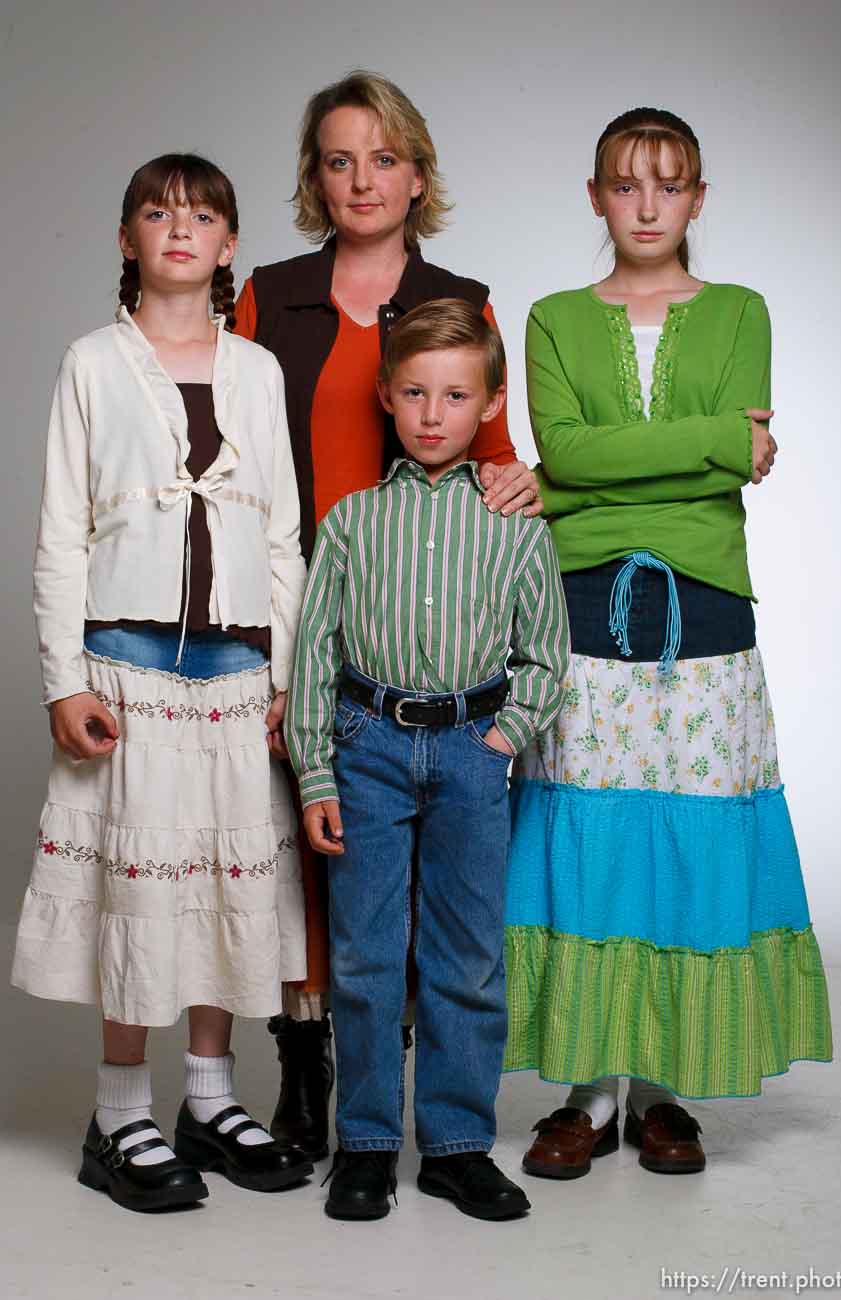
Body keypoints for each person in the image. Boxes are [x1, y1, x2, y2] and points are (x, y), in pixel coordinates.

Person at [504, 109, 832, 1180]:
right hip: (586, 596)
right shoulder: (553, 316)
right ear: (595, 195)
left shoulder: (741, 309)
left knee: (686, 832)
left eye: (669, 184)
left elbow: (716, 467)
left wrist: (602, 473)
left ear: (698, 197)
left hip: (708, 602)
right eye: (626, 184)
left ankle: (664, 1089)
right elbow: (568, 448)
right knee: (591, 831)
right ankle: (591, 1091)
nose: (647, 205)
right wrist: (700, 446)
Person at [233, 69, 543, 1161]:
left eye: (382, 156)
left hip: (420, 640)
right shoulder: (268, 293)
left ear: (418, 173)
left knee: (404, 880)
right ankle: (305, 1068)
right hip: (296, 615)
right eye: (337, 158)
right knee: (298, 853)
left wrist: (531, 484)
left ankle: (417, 1081)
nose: (361, 178)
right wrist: (267, 656)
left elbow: (499, 467)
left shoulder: (460, 293)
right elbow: (234, 469)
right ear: (316, 178)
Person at [11, 154, 312, 1212]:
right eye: (156, 212)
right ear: (129, 239)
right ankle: (120, 1110)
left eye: (201, 215)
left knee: (222, 890)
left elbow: (282, 533)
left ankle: (211, 1096)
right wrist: (61, 678)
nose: (179, 228)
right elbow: (58, 536)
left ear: (229, 246)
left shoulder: (258, 371)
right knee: (138, 893)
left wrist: (286, 671)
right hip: (128, 666)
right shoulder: (93, 363)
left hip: (236, 671)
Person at [286, 299, 568, 1220]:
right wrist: (318, 772)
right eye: (413, 393)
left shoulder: (516, 524)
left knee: (466, 958)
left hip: (471, 751)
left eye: (454, 395)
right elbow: (316, 654)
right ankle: (364, 1143)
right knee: (367, 956)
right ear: (385, 398)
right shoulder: (352, 522)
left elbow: (545, 656)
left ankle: (454, 1144)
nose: (432, 414)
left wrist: (501, 738)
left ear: (488, 404)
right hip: (366, 747)